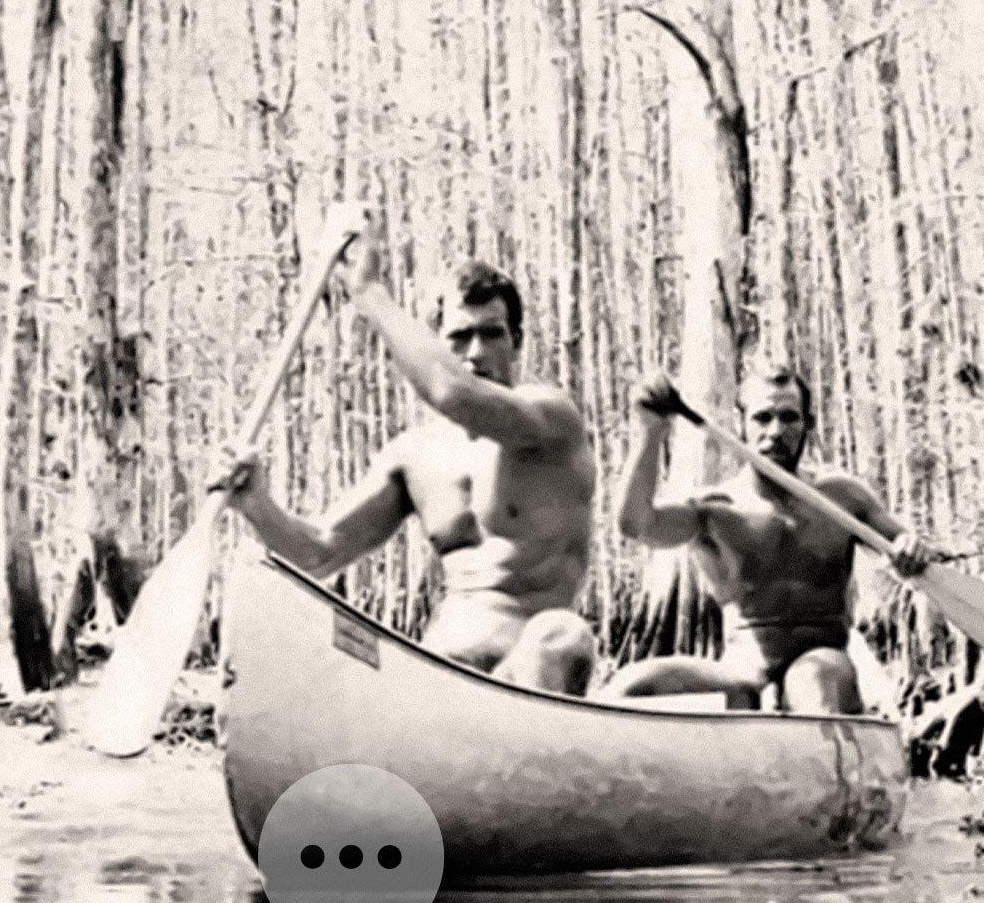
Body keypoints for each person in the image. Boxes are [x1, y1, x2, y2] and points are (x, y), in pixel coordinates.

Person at [216, 209, 601, 695]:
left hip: (532, 679)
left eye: (492, 334)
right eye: (459, 337)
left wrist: (370, 293)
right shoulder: (414, 457)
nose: (476, 353)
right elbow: (318, 553)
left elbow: (452, 392)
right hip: (438, 675)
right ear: (436, 344)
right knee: (284, 609)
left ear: (517, 341)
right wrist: (256, 502)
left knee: (562, 635)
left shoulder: (548, 422)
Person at [604, 363, 929, 714]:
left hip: (823, 664)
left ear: (808, 424)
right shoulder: (714, 509)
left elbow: (911, 551)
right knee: (630, 686)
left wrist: (911, 551)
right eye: (762, 418)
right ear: (741, 423)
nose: (776, 431)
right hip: (743, 673)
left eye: (789, 418)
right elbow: (636, 525)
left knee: (812, 682)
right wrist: (651, 433)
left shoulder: (843, 498)